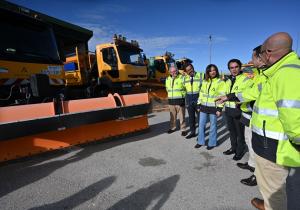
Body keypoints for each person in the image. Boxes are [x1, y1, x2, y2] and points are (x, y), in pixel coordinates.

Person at [217, 32, 300, 210]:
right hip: (268, 144)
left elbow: (296, 122)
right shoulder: (274, 73)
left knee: (274, 190)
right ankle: (268, 203)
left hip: (274, 147)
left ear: (268, 53)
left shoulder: (287, 74)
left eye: (260, 54)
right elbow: (254, 93)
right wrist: (230, 96)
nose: (256, 59)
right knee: (269, 186)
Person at [222, 59, 254, 160]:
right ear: (229, 69)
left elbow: (247, 95)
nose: (234, 69)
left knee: (240, 133)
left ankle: (240, 151)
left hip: (239, 111)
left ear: (240, 67)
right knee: (231, 131)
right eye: (231, 68)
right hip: (228, 110)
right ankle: (233, 148)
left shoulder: (246, 79)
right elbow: (224, 94)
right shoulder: (227, 80)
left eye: (236, 67)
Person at [194, 64, 224, 149]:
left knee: (213, 126)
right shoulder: (205, 81)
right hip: (203, 107)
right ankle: (200, 141)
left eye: (214, 70)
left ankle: (212, 143)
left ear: (216, 71)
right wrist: (199, 104)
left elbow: (221, 96)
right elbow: (201, 94)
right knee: (201, 125)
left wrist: (219, 108)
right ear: (207, 72)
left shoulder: (220, 82)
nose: (212, 72)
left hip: (213, 108)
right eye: (210, 70)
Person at [165, 66, 188, 136]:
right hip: (171, 101)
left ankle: (183, 129)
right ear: (169, 72)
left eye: (175, 71)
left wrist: (183, 97)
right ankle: (173, 128)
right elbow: (167, 89)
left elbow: (186, 88)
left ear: (177, 71)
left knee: (182, 117)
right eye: (171, 71)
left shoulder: (182, 78)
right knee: (172, 117)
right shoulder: (167, 79)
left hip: (180, 101)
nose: (173, 73)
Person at [183, 64, 203, 139]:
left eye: (190, 69)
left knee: (200, 118)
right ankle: (193, 132)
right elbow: (184, 90)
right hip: (189, 99)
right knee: (191, 118)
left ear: (193, 68)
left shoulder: (201, 75)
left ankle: (201, 134)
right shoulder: (184, 78)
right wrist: (186, 101)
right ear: (186, 71)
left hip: (198, 99)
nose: (189, 71)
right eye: (187, 70)